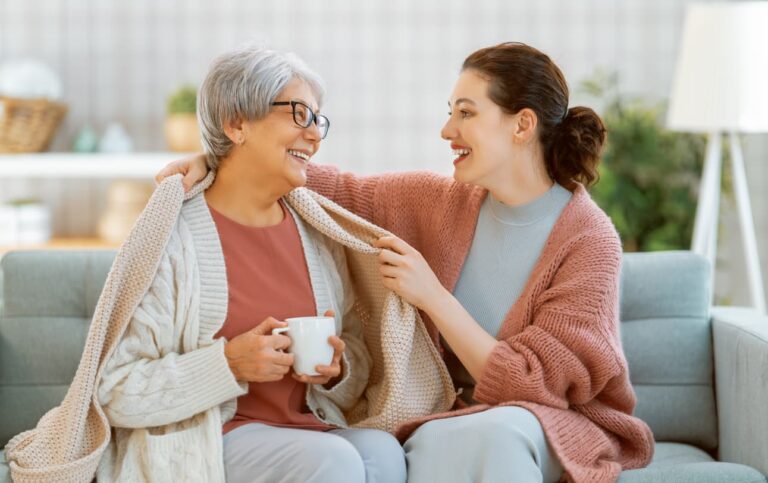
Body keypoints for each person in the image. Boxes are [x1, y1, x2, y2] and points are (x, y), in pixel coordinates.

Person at [159, 42, 654, 483]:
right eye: (449, 112)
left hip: (550, 420)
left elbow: (533, 385)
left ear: (523, 125)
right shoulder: (436, 203)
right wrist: (214, 161)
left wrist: (433, 297)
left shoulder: (589, 242)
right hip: (455, 419)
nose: (447, 130)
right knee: (425, 446)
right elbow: (319, 184)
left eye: (465, 113)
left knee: (496, 433)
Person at [5, 46, 408, 483]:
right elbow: (115, 390)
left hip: (308, 429)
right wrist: (228, 364)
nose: (314, 134)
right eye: (299, 114)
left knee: (383, 453)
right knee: (334, 461)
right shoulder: (174, 236)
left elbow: (355, 354)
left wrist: (335, 372)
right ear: (236, 123)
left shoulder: (318, 233)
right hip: (205, 439)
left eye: (318, 119)